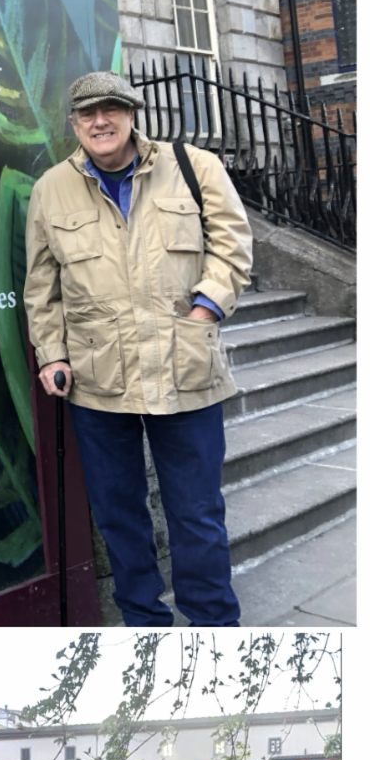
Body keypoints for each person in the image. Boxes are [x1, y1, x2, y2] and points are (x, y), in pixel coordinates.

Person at [24, 71, 254, 627]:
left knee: (196, 512)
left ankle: (213, 623)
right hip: (98, 383)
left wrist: (205, 311)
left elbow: (233, 247)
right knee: (120, 514)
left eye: (111, 109)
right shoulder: (50, 188)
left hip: (185, 370)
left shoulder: (196, 167)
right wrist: (52, 354)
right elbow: (41, 284)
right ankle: (144, 623)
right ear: (74, 124)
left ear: (132, 114)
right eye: (87, 114)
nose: (99, 122)